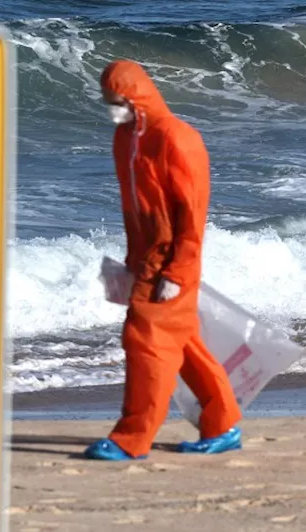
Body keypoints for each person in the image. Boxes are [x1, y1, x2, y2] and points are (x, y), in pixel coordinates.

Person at [84, 60, 243, 461]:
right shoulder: (125, 138)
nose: (113, 109)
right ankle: (222, 424)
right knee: (184, 345)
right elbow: (134, 208)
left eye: (118, 101)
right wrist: (130, 263)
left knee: (146, 343)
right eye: (108, 102)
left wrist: (179, 268)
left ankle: (131, 438)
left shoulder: (175, 138)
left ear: (137, 97)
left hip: (173, 262)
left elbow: (192, 211)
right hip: (145, 261)